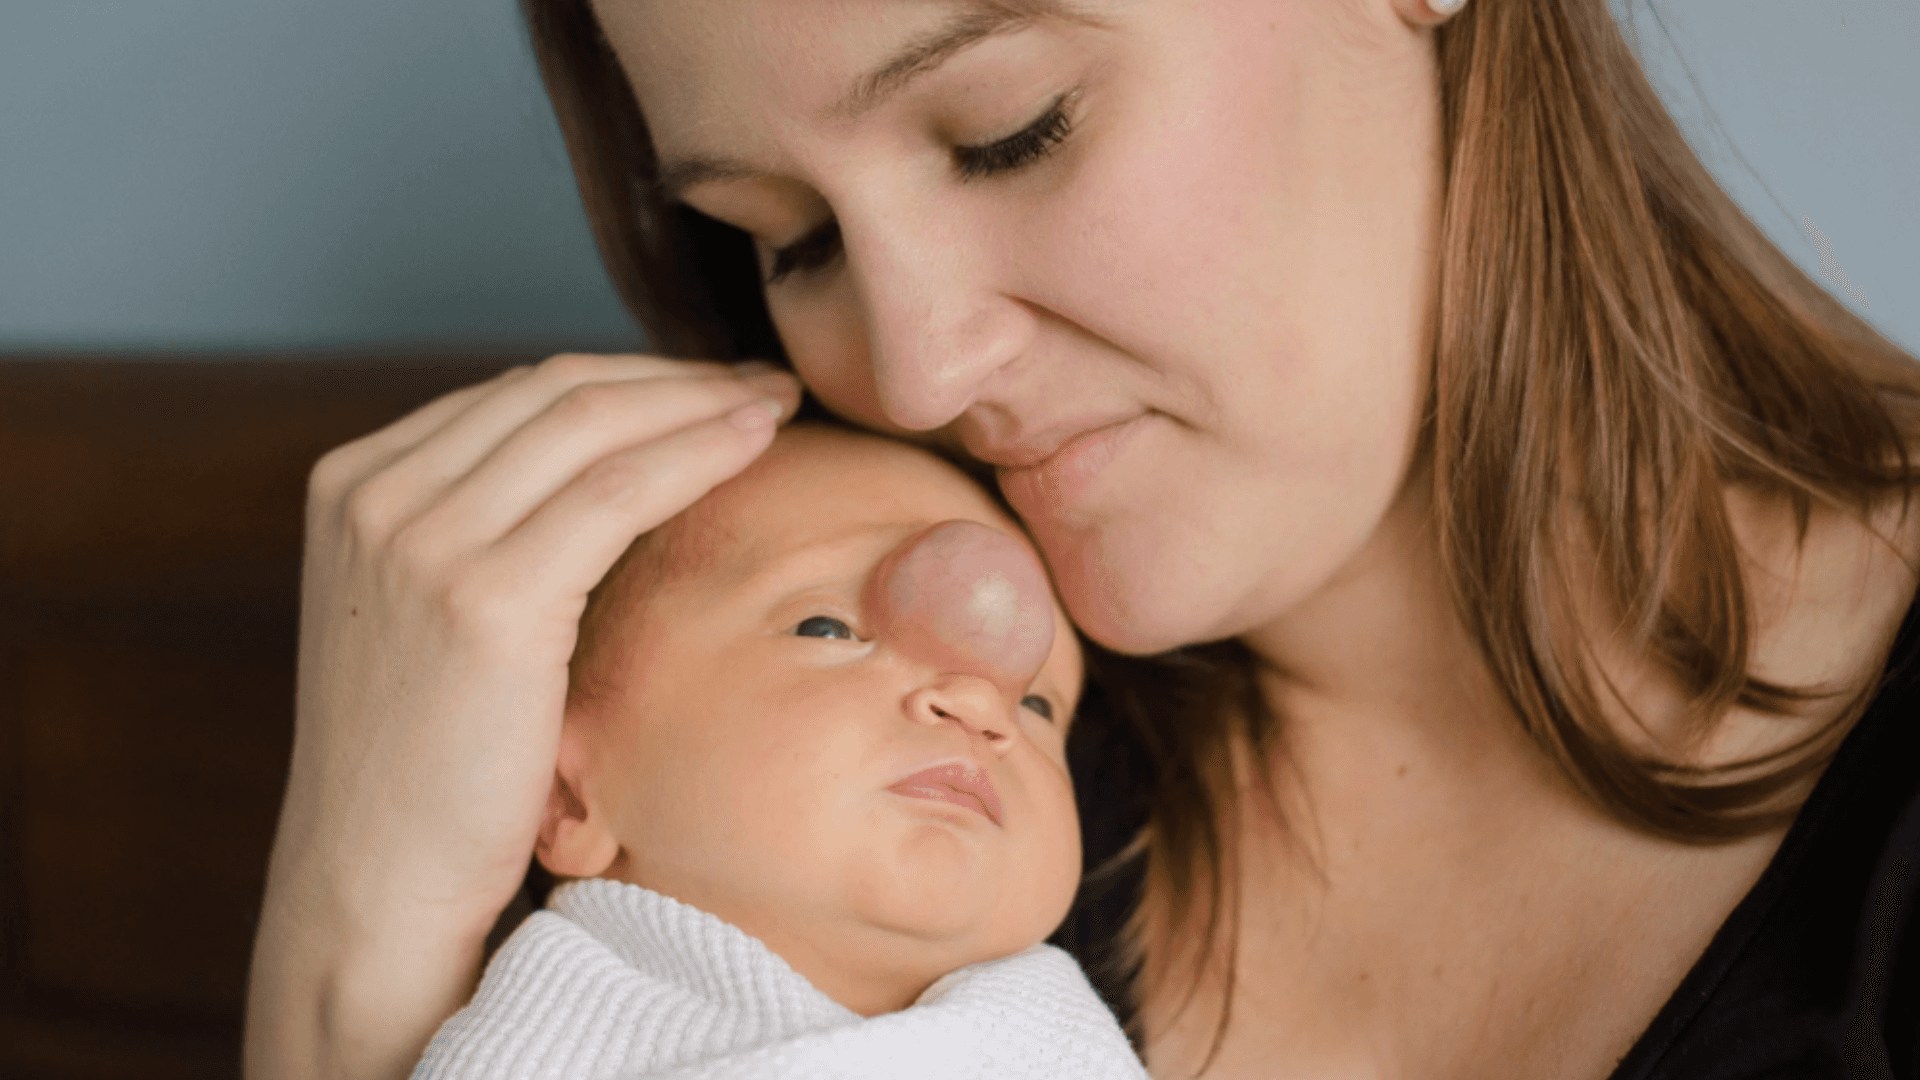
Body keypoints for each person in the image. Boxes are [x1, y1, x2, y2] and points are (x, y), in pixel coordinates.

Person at [246, 1, 1920, 1078]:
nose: (914, 369)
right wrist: (354, 940)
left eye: (1010, 131)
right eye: (793, 237)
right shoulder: (823, 783)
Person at [410, 421, 1146, 1079]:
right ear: (567, 797)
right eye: (827, 629)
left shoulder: (1057, 1034)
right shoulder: (546, 1038)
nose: (985, 710)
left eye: (1037, 703)